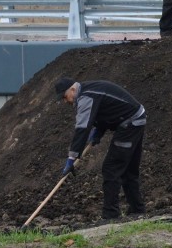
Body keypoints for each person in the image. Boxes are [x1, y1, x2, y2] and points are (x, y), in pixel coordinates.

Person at [55, 77, 148, 220]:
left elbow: (82, 128)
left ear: (72, 90)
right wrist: (99, 130)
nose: (65, 101)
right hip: (135, 119)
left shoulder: (86, 96)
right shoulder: (90, 90)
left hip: (130, 123)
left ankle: (111, 215)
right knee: (128, 170)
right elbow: (107, 108)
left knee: (111, 168)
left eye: (64, 96)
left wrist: (72, 158)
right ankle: (138, 210)